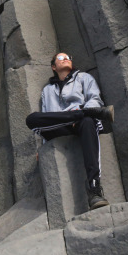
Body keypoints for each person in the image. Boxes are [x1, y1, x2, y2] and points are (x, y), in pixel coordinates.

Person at [26, 52, 114, 210]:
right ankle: (78, 115)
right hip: (61, 126)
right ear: (54, 66)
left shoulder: (84, 78)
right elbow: (47, 118)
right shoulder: (47, 90)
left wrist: (82, 114)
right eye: (60, 58)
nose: (66, 58)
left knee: (88, 120)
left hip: (82, 124)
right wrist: (44, 146)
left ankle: (94, 191)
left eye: (68, 57)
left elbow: (95, 99)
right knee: (32, 119)